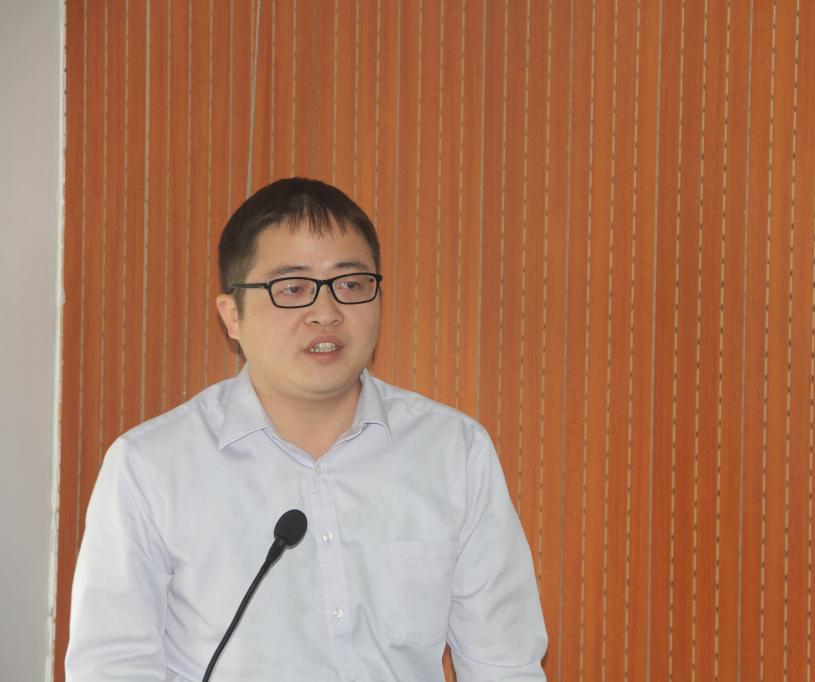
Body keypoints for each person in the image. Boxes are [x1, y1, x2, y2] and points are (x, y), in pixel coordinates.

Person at [65, 178, 548, 681]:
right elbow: (113, 669)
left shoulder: (452, 453)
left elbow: (505, 665)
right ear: (232, 316)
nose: (326, 313)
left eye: (351, 284)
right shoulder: (151, 466)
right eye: (292, 288)